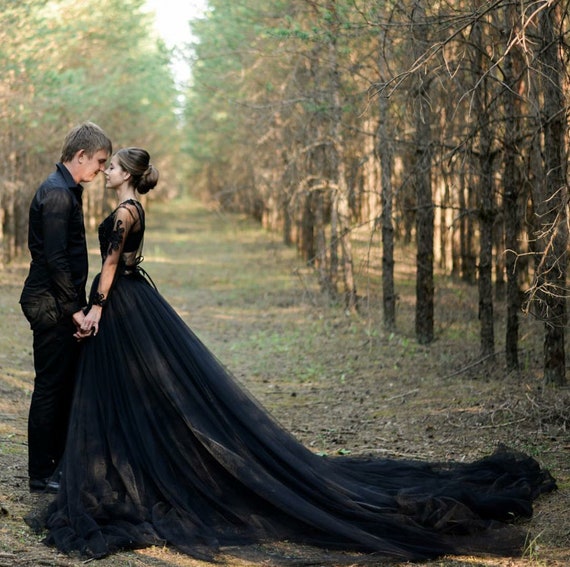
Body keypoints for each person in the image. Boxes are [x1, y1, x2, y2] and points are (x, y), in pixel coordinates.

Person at [30, 147, 556, 563]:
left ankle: (138, 464)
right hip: (130, 303)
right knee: (141, 391)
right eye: (104, 164)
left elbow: (112, 264)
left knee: (149, 391)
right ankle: (127, 459)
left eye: (112, 166)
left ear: (127, 174)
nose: (104, 170)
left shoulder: (123, 213)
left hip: (121, 304)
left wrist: (96, 307)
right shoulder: (126, 206)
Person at [19, 122, 112, 494]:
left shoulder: (67, 189)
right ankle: (41, 473)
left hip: (59, 302)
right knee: (50, 387)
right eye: (100, 161)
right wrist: (76, 309)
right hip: (50, 304)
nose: (102, 169)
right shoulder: (58, 194)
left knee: (60, 386)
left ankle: (55, 466)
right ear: (80, 156)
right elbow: (56, 259)